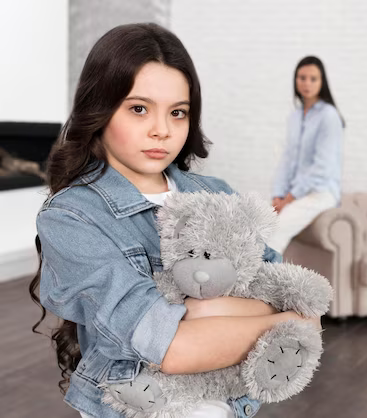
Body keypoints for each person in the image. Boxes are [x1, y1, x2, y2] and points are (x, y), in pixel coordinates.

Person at [29, 23, 320, 418]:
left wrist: (195, 316)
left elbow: (302, 304)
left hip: (229, 405)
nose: (162, 130)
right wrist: (286, 323)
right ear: (99, 108)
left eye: (178, 112)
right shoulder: (71, 217)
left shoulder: (217, 193)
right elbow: (173, 350)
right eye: (138, 108)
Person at [268, 56, 344, 254]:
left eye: (313, 78)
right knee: (263, 223)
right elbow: (287, 160)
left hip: (320, 193)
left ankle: (262, 283)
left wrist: (290, 198)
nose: (307, 83)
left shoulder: (329, 116)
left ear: (322, 82)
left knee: (276, 229)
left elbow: (322, 168)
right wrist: (278, 195)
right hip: (294, 194)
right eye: (302, 78)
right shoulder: (294, 116)